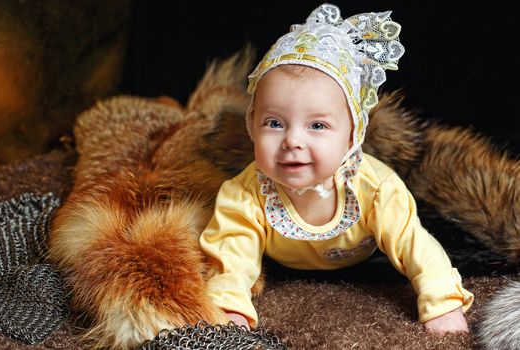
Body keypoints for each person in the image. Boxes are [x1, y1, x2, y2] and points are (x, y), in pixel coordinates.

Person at [199, 3, 473, 334]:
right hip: (282, 264)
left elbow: (416, 246)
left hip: (360, 261)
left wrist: (441, 302)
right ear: (252, 125)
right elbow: (231, 253)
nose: (292, 140)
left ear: (352, 136)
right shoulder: (244, 194)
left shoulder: (377, 189)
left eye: (317, 125)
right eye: (274, 123)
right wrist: (230, 306)